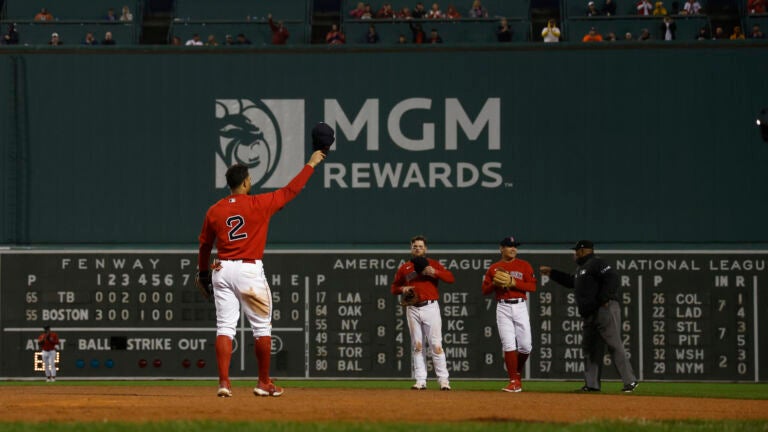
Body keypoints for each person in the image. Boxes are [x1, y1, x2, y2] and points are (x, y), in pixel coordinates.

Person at [197, 127, 330, 398]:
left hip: (221, 269)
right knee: (261, 328)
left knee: (225, 327)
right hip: (248, 270)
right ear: (245, 183)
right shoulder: (259, 203)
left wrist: (202, 275)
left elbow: (204, 246)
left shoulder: (214, 210)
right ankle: (263, 382)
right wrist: (311, 163)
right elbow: (292, 190)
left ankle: (224, 383)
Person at [539, 240, 638, 393]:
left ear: (583, 251)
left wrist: (605, 298)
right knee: (590, 350)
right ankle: (592, 385)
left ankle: (630, 381)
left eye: (576, 251)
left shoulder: (596, 263)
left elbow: (612, 278)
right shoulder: (581, 270)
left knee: (614, 345)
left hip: (603, 310)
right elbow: (571, 281)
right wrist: (552, 273)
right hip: (589, 314)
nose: (574, 255)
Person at [391, 235, 455, 391]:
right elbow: (394, 288)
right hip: (413, 308)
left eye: (420, 246)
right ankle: (420, 380)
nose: (417, 248)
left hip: (430, 307)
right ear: (411, 248)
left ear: (425, 248)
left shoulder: (433, 264)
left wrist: (435, 272)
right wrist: (402, 289)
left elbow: (450, 278)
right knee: (417, 346)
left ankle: (443, 381)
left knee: (436, 345)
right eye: (415, 246)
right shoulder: (405, 268)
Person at [481, 236, 537, 393]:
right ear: (501, 248)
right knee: (508, 344)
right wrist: (494, 284)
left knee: (526, 346)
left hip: (520, 306)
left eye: (515, 246)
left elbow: (532, 287)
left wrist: (514, 283)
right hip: (503, 307)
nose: (513, 249)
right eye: (509, 246)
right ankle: (513, 381)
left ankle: (516, 373)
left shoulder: (524, 265)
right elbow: (484, 291)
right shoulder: (494, 268)